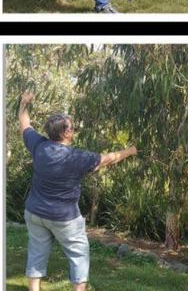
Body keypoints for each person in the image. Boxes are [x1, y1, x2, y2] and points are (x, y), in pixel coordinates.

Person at [18, 91, 137, 291]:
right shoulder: (77, 157)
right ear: (66, 133)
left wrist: (24, 104)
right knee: (79, 254)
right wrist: (131, 151)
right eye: (72, 128)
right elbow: (108, 159)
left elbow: (24, 124)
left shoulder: (38, 146)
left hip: (35, 213)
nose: (74, 130)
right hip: (64, 218)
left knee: (37, 252)